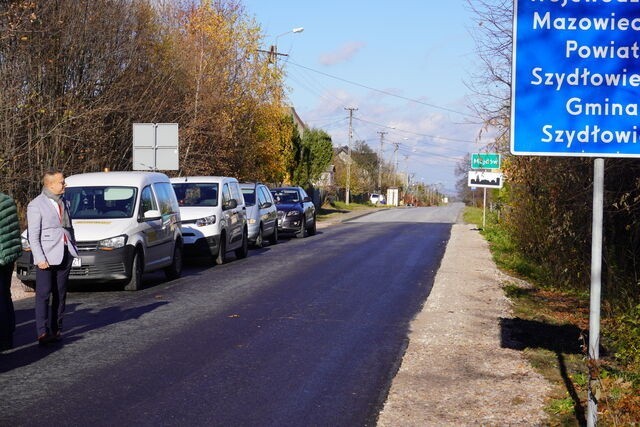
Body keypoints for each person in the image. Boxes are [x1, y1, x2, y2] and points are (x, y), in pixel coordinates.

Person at [27, 170, 78, 345]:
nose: (65, 185)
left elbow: (69, 228)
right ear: (50, 185)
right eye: (62, 182)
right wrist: (39, 258)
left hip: (65, 252)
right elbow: (33, 236)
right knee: (43, 294)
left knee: (60, 293)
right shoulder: (36, 205)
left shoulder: (65, 202)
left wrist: (73, 247)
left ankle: (57, 329)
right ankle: (42, 331)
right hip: (46, 256)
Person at [0, 191, 22, 351]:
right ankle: (8, 335)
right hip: (9, 255)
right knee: (5, 295)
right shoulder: (7, 200)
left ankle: (3, 338)